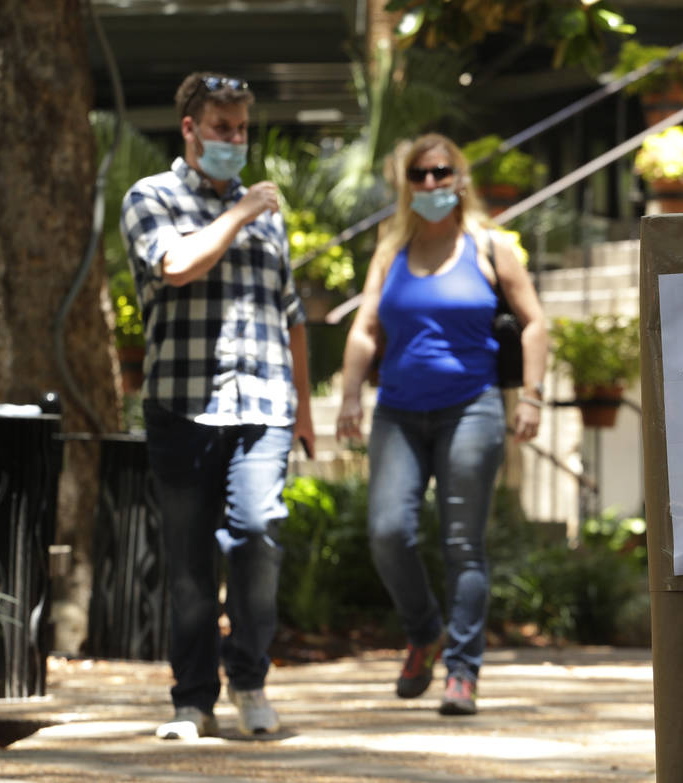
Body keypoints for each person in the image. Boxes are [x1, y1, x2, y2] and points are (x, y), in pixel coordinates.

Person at [120, 71, 315, 739]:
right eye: (222, 128)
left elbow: (291, 314)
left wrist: (306, 409)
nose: (235, 139)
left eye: (241, 128)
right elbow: (175, 266)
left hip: (263, 405)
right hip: (181, 406)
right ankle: (193, 699)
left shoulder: (267, 216)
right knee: (190, 564)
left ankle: (251, 676)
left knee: (258, 531)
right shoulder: (152, 197)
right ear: (191, 130)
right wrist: (237, 213)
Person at [336, 133, 548, 716]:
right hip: (399, 409)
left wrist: (531, 397)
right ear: (406, 184)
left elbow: (534, 323)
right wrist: (351, 393)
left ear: (459, 177)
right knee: (387, 531)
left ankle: (462, 671)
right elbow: (365, 327)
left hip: (472, 405)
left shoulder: (489, 246)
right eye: (419, 175)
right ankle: (424, 630)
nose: (430, 183)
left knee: (463, 544)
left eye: (440, 172)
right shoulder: (391, 246)